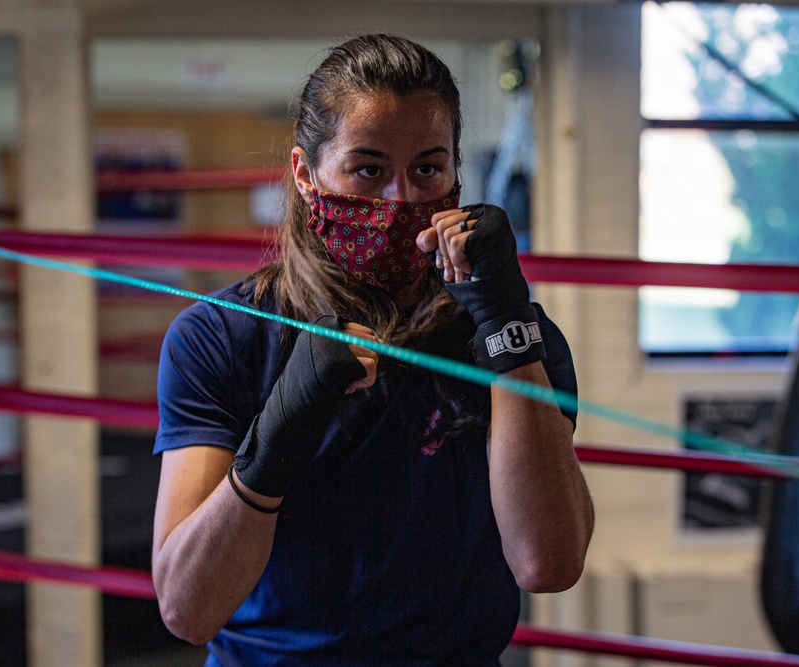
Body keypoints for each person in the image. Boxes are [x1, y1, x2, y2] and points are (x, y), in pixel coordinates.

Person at [152, 33, 594, 666]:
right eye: (367, 169)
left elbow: (547, 563)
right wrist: (277, 436)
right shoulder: (222, 336)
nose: (401, 200)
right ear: (306, 175)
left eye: (427, 169)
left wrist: (507, 327)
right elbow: (187, 610)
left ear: (455, 175)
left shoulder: (514, 339)